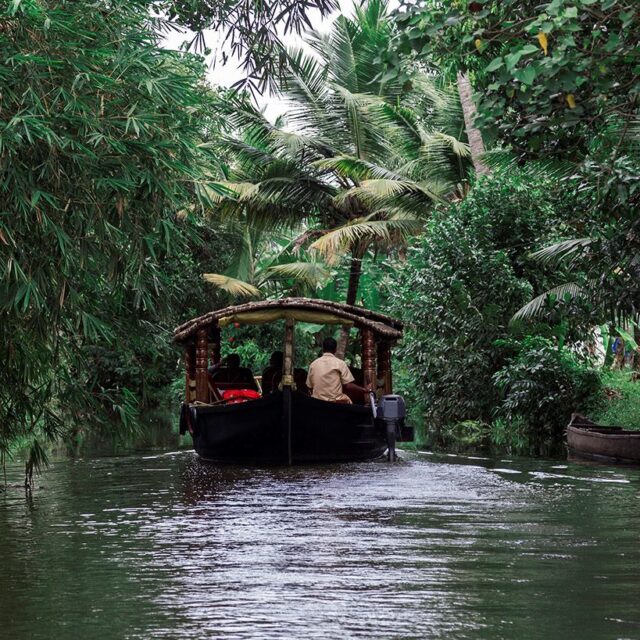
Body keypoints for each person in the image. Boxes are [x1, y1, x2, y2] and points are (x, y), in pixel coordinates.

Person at [306, 337, 363, 404]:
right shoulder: (340, 363)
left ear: (323, 349)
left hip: (317, 402)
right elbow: (348, 386)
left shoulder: (313, 364)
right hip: (336, 402)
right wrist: (364, 390)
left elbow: (309, 386)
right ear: (335, 349)